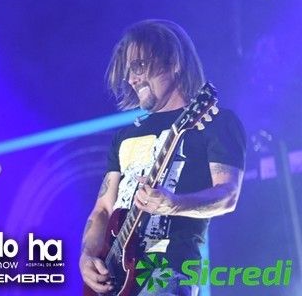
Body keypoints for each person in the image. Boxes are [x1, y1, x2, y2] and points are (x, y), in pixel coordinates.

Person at [79, 20, 246, 296]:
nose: (132, 79)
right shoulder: (124, 137)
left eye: (139, 66)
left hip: (168, 271)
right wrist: (87, 256)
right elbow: (103, 211)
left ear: (174, 62)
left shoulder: (214, 122)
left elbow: (227, 195)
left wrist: (174, 204)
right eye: (128, 71)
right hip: (114, 279)